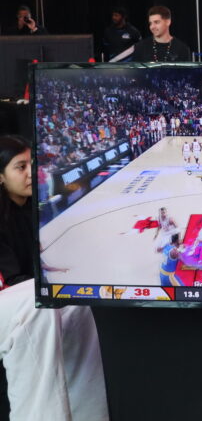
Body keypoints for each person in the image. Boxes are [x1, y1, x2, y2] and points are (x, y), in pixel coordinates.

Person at [0, 135, 109, 420]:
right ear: (0, 176)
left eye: (31, 164)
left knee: (76, 302)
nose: (30, 173)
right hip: (9, 302)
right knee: (39, 305)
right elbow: (10, 282)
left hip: (17, 296)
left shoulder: (26, 210)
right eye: (20, 167)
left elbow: (35, 267)